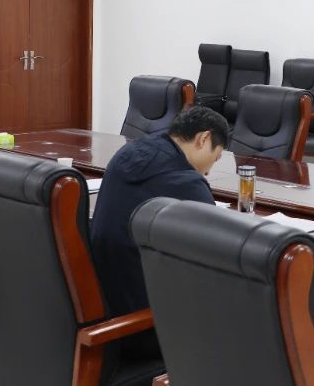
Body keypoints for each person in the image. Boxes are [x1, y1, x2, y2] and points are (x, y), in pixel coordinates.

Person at [90, 105, 228, 360]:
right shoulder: (186, 181)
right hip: (145, 327)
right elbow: (220, 249)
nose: (209, 171)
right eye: (216, 157)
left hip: (103, 307)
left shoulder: (127, 153)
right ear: (203, 139)